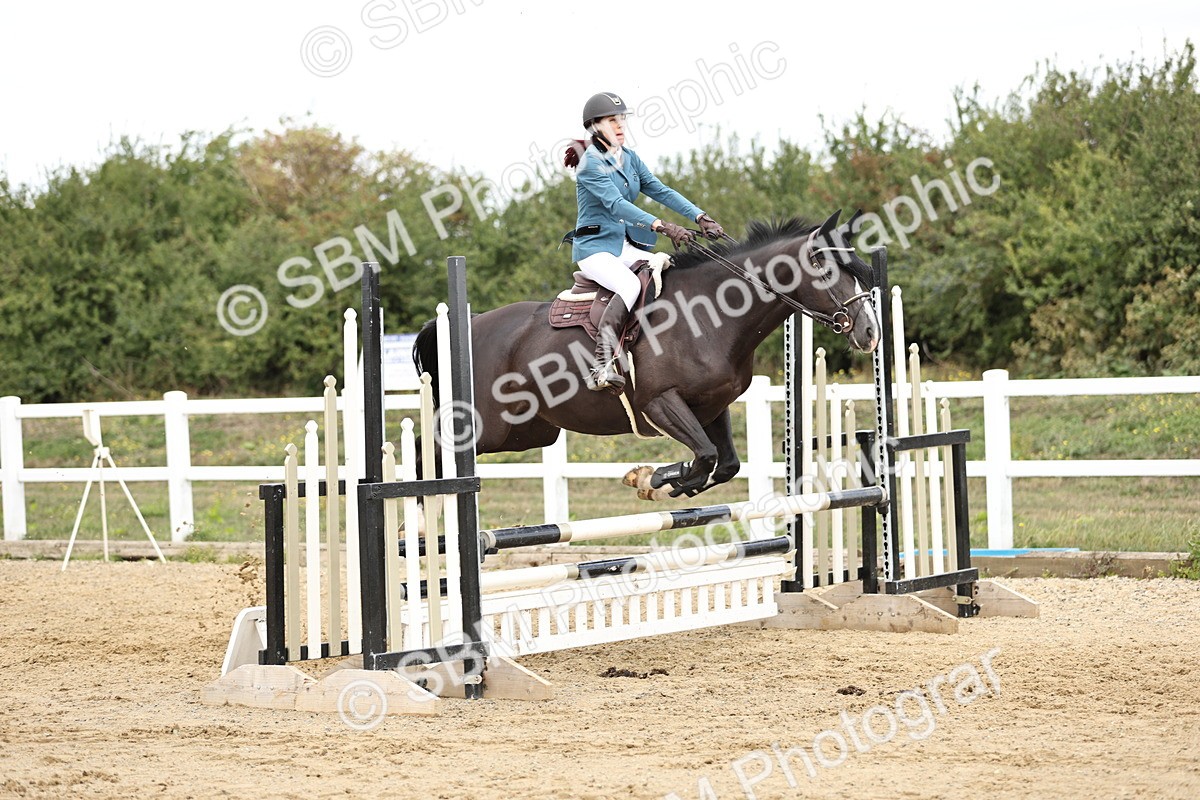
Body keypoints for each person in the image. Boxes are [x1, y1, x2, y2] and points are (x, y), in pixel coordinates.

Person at [565, 91, 725, 392]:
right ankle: (601, 364)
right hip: (596, 249)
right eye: (613, 120)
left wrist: (700, 216)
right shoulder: (591, 165)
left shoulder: (629, 159)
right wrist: (661, 225)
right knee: (629, 285)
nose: (621, 125)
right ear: (595, 126)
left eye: (622, 119)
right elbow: (616, 205)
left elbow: (660, 190)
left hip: (627, 247)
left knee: (669, 272)